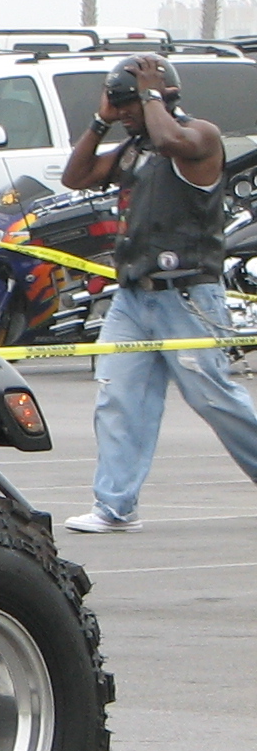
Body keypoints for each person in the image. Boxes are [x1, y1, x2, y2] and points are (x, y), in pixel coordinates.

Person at [57, 52, 257, 531]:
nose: (126, 112)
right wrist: (100, 121)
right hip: (133, 296)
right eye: (120, 104)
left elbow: (170, 137)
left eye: (131, 103)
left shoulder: (199, 136)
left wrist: (149, 97)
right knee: (118, 397)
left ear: (163, 95)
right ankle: (115, 506)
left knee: (214, 398)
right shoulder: (134, 149)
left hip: (185, 295)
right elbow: (75, 176)